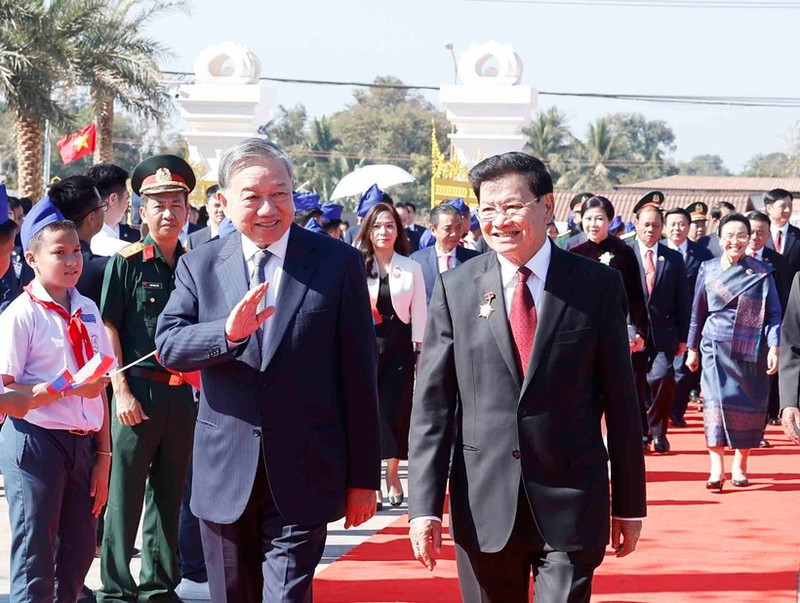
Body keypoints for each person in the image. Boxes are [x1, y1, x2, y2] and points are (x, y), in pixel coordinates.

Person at [408, 152, 646, 602]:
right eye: (488, 210)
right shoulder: (456, 288)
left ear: (546, 205)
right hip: (483, 502)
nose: (500, 221)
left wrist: (630, 505)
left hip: (572, 498)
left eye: (513, 206)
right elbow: (432, 407)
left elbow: (621, 402)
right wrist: (424, 508)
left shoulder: (596, 286)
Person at [155, 138, 381, 601]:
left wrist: (362, 479)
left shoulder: (336, 263)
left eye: (280, 194)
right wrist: (227, 334)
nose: (268, 209)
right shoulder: (199, 265)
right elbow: (169, 345)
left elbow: (359, 376)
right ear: (223, 201)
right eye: (252, 197)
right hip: (224, 472)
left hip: (305, 469)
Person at [0, 197, 113, 602]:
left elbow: (100, 386)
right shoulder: (21, 314)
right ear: (32, 259)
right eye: (59, 253)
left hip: (83, 444)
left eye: (76, 251)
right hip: (36, 440)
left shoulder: (88, 309)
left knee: (79, 554)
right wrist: (65, 389)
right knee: (36, 556)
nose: (71, 261)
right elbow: (4, 392)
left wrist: (104, 455)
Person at [97, 155, 198, 602]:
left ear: (188, 210)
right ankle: (117, 589)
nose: (168, 213)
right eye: (158, 205)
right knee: (125, 495)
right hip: (137, 391)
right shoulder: (128, 262)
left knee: (169, 495)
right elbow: (109, 326)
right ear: (142, 211)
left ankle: (159, 586)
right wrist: (120, 389)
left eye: (176, 204)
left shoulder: (196, 264)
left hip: (182, 394)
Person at [687, 213, 781, 490]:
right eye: (729, 235)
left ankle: (741, 463)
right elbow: (697, 312)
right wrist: (692, 348)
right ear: (720, 239)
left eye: (741, 235)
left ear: (749, 238)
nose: (735, 241)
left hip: (750, 347)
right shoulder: (708, 269)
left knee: (748, 405)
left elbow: (773, 314)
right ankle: (716, 469)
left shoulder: (762, 272)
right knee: (714, 404)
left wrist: (775, 346)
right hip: (714, 345)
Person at [355, 202, 427, 510]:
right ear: (367, 231)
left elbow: (420, 315)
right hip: (365, 346)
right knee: (369, 412)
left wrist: (421, 353)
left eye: (389, 226)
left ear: (398, 230)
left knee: (396, 410)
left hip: (399, 348)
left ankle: (393, 472)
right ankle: (372, 476)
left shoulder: (411, 268)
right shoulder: (356, 265)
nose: (383, 232)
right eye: (376, 226)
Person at [570, 195, 649, 352]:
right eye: (588, 219)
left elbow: (635, 294)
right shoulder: (574, 254)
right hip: (582, 329)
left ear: (610, 221)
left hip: (615, 327)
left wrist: (641, 331)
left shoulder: (623, 252)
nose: (593, 224)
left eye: (599, 219)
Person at [663, 207, 714, 428]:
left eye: (682, 224)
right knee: (659, 370)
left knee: (683, 370)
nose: (677, 228)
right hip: (661, 319)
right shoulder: (657, 249)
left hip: (690, 318)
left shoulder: (702, 254)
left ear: (688, 226)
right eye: (673, 224)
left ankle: (676, 410)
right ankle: (656, 409)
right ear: (665, 226)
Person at [747, 210, 790, 441]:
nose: (755, 237)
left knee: (762, 383)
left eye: (760, 232)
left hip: (766, 330)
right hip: (736, 331)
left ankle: (757, 431)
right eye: (751, 232)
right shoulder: (732, 257)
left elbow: (782, 297)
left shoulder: (777, 261)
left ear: (768, 235)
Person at [410, 202, 479, 304]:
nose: (454, 234)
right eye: (448, 229)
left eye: (458, 227)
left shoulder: (474, 260)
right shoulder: (417, 261)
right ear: (433, 230)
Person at [87, 163, 139, 256]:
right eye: (127, 197)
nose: (128, 204)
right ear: (113, 199)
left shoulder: (75, 241)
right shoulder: (123, 250)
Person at [763, 188, 800, 278]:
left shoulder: (798, 235)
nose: (788, 210)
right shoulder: (758, 234)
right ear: (769, 208)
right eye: (783, 206)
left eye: (790, 206)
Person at [186, 184, 226, 250]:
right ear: (207, 208)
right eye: (216, 205)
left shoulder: (240, 235)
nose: (221, 210)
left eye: (224, 205)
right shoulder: (194, 239)